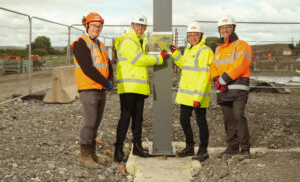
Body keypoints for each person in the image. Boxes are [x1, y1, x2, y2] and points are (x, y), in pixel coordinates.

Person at [114, 14, 167, 162]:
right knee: (125, 118)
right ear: (132, 26)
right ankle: (118, 151)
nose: (140, 28)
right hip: (128, 87)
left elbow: (148, 51)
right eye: (138, 25)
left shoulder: (140, 41)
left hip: (138, 87)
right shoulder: (128, 41)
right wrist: (159, 58)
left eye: (143, 26)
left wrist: (160, 42)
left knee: (138, 119)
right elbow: (139, 59)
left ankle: (137, 147)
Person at [72, 12, 114, 168]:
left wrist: (111, 80)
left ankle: (92, 153)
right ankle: (85, 156)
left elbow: (108, 64)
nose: (97, 28)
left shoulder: (100, 44)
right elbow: (87, 67)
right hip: (88, 89)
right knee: (89, 122)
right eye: (94, 25)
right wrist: (105, 82)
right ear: (86, 25)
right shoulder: (80, 43)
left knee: (96, 122)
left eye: (99, 26)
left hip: (100, 88)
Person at [170, 22, 213, 162]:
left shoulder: (205, 51)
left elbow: (204, 75)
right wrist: (176, 53)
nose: (192, 37)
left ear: (200, 35)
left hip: (197, 95)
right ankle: (190, 146)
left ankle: (203, 149)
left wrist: (198, 96)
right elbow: (183, 64)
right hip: (186, 95)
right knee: (183, 120)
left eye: (195, 35)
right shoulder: (189, 49)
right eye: (190, 35)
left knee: (201, 122)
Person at [210, 15, 252, 158]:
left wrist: (222, 80)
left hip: (238, 87)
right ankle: (232, 147)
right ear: (219, 30)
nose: (225, 30)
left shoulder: (242, 45)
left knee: (238, 115)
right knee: (228, 118)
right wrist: (216, 80)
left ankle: (245, 149)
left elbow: (240, 64)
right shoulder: (218, 49)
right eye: (222, 28)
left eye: (228, 27)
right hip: (223, 88)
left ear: (233, 28)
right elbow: (213, 66)